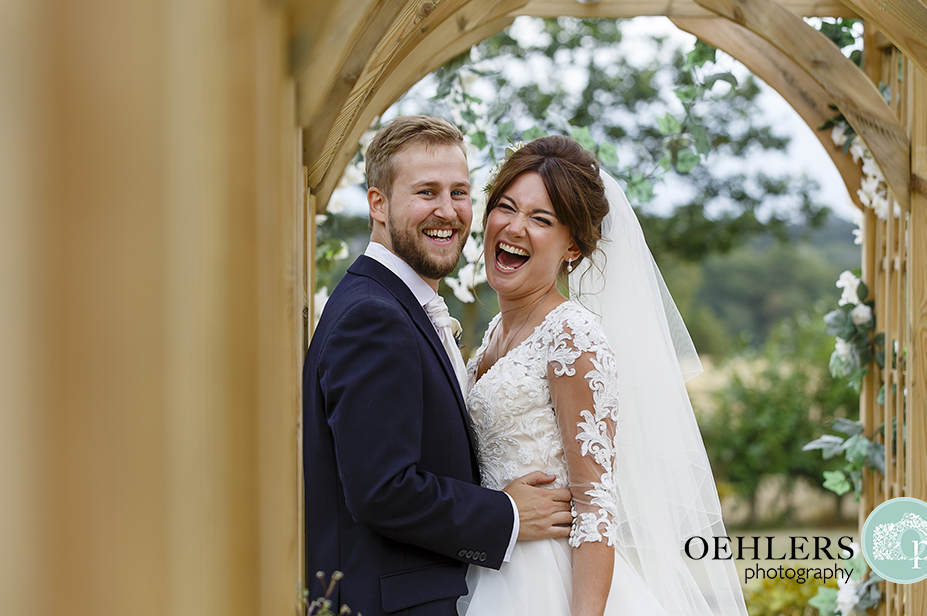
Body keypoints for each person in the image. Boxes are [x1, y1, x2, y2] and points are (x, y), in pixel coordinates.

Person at [459, 136, 747, 616]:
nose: (514, 226)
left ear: (572, 244)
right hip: (491, 563)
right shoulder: (494, 332)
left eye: (541, 219)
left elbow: (595, 507)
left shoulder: (571, 334)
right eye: (505, 207)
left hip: (546, 585)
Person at [303, 116, 573, 616]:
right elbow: (382, 491)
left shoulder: (395, 304)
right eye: (426, 192)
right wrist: (507, 515)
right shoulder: (374, 317)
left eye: (460, 192)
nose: (447, 212)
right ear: (377, 203)